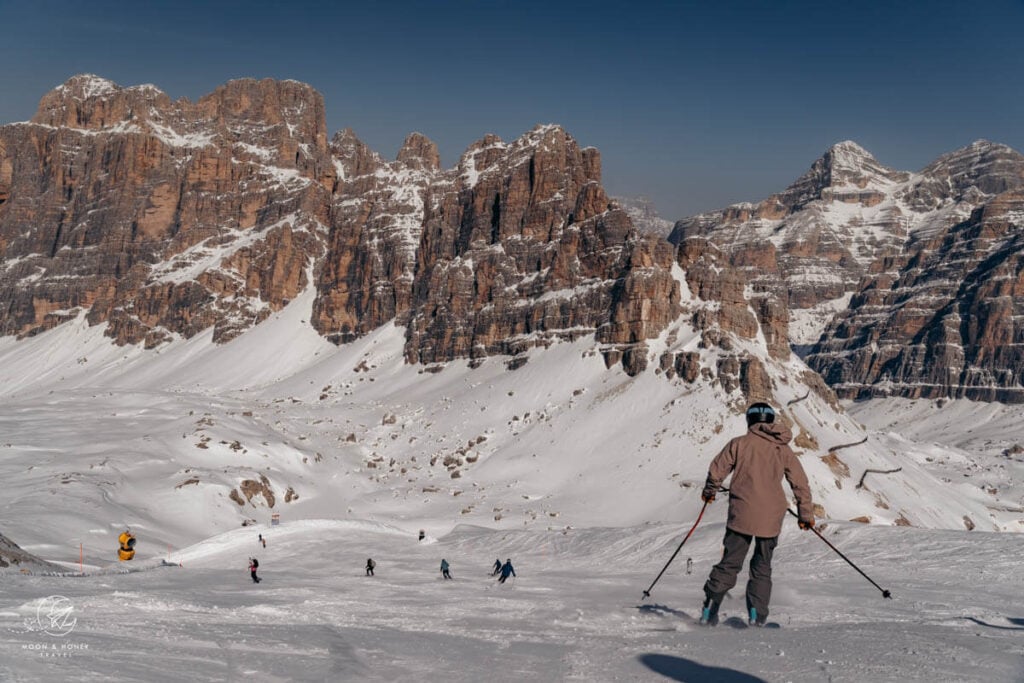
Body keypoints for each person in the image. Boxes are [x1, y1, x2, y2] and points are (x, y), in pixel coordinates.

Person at [699, 402, 814, 627]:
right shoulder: (783, 449)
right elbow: (800, 483)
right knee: (762, 567)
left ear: (749, 420)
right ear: (770, 420)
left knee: (730, 563)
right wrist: (805, 515)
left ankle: (709, 610)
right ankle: (756, 616)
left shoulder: (739, 444)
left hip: (741, 515)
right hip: (771, 518)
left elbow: (716, 471)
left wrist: (709, 492)